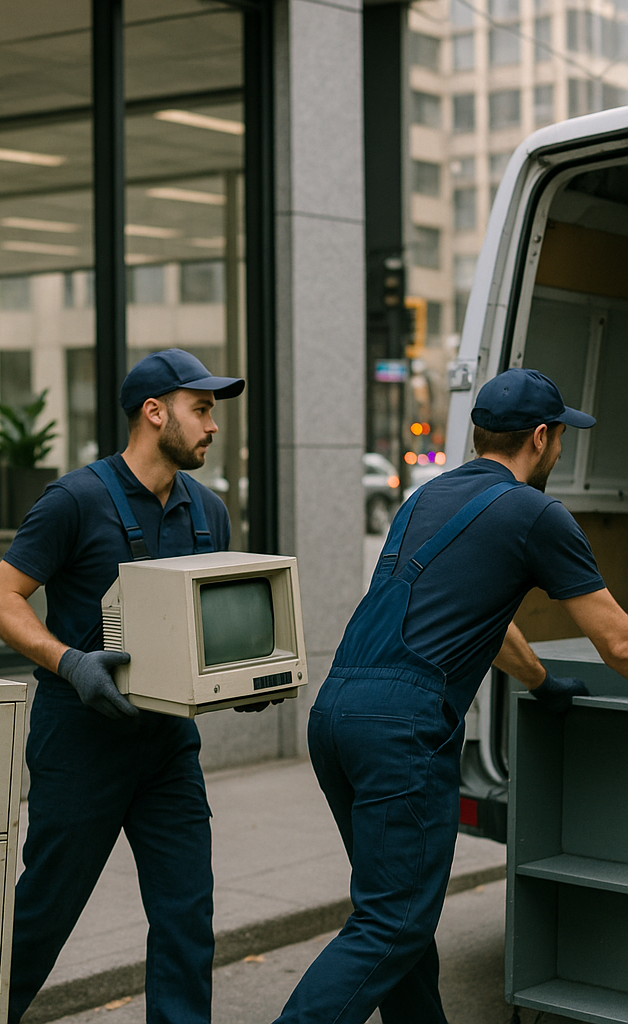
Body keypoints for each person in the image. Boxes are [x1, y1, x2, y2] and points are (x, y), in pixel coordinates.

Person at [269, 366, 628, 1024]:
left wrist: (542, 682)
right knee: (392, 923)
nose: (559, 450)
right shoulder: (535, 512)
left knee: (397, 914)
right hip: (401, 728)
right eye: (560, 438)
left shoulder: (425, 499)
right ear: (541, 438)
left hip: (337, 713)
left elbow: (483, 625)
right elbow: (620, 643)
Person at [0, 348, 253, 1024]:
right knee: (44, 914)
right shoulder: (74, 500)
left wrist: (242, 680)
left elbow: (208, 627)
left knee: (187, 915)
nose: (213, 425)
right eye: (201, 409)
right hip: (80, 740)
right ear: (154, 413)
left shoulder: (209, 512)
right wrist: (70, 661)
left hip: (168, 746)